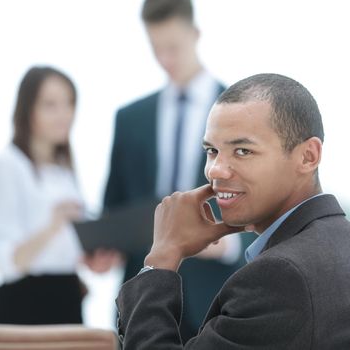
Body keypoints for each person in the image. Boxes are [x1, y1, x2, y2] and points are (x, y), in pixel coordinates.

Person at [116, 73, 350, 349]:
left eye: (243, 151)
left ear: (308, 156)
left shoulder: (281, 276)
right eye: (212, 151)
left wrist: (163, 256)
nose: (216, 171)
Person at [103, 0, 248, 341]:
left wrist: (227, 244)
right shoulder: (129, 118)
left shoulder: (243, 112)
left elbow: (267, 197)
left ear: (195, 35)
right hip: (142, 300)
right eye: (156, 49)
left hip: (217, 299)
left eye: (173, 48)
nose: (165, 59)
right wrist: (104, 244)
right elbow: (115, 203)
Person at [0, 66, 106, 324]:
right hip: (23, 306)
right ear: (27, 109)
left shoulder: (64, 170)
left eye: (69, 103)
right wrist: (53, 226)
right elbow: (5, 261)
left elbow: (61, 252)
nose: (64, 114)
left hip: (66, 300)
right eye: (50, 105)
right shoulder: (7, 166)